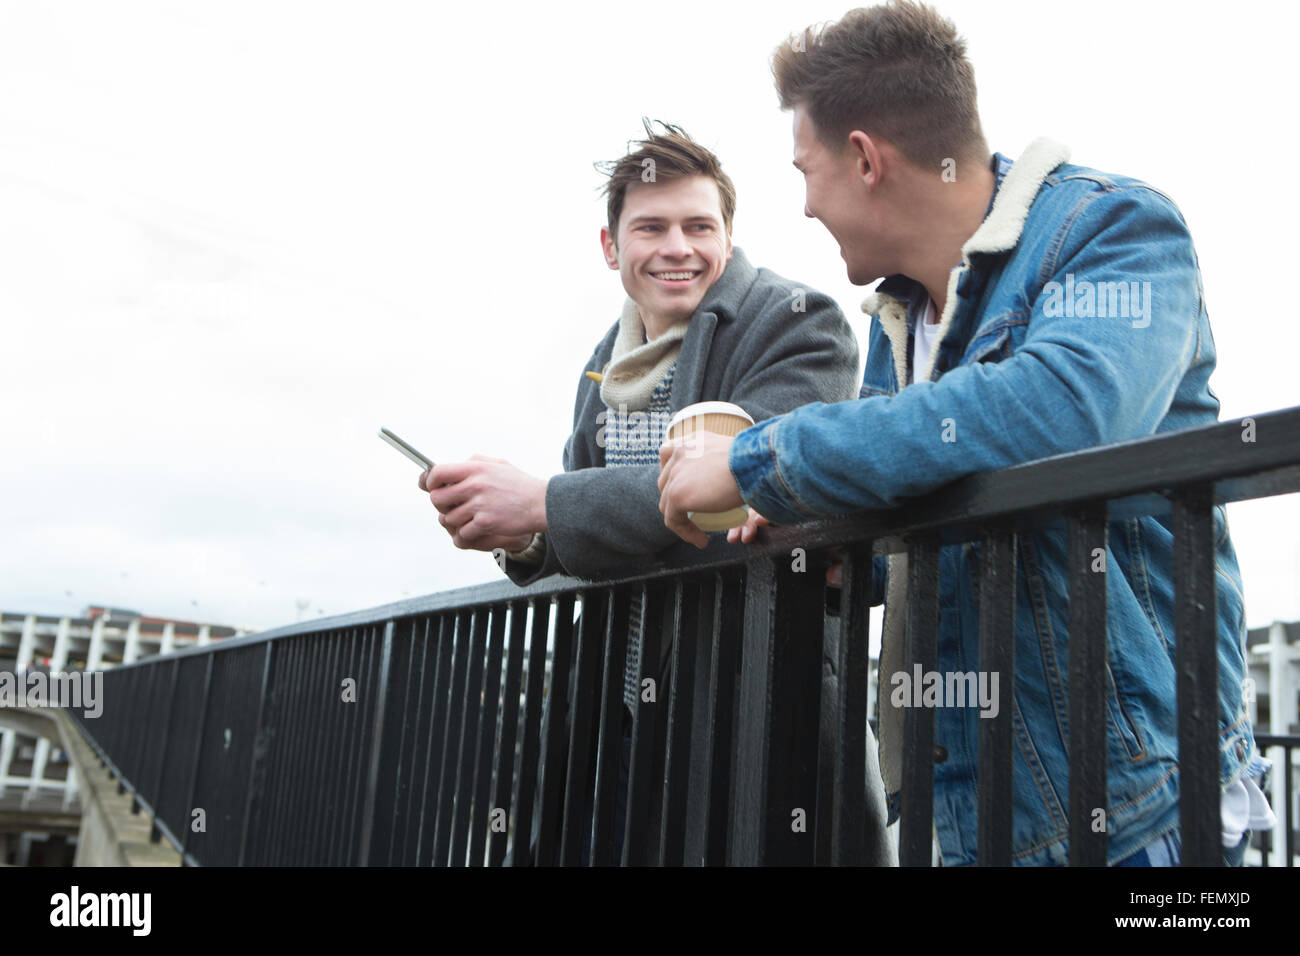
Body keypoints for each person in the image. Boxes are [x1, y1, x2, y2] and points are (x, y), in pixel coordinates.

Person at [657, 2, 1273, 866]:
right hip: (973, 810)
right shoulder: (897, 316)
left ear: (866, 158)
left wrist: (759, 459)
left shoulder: (1116, 229)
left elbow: (1060, 413)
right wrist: (830, 541)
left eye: (805, 172)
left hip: (1139, 813)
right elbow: (929, 505)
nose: (802, 207)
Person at [419, 120, 867, 863]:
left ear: (728, 234)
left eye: (699, 225)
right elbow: (592, 534)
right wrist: (525, 537)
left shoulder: (800, 323)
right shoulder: (605, 361)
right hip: (616, 717)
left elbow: (741, 494)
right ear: (610, 246)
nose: (677, 248)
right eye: (651, 227)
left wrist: (544, 503)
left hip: (739, 708)